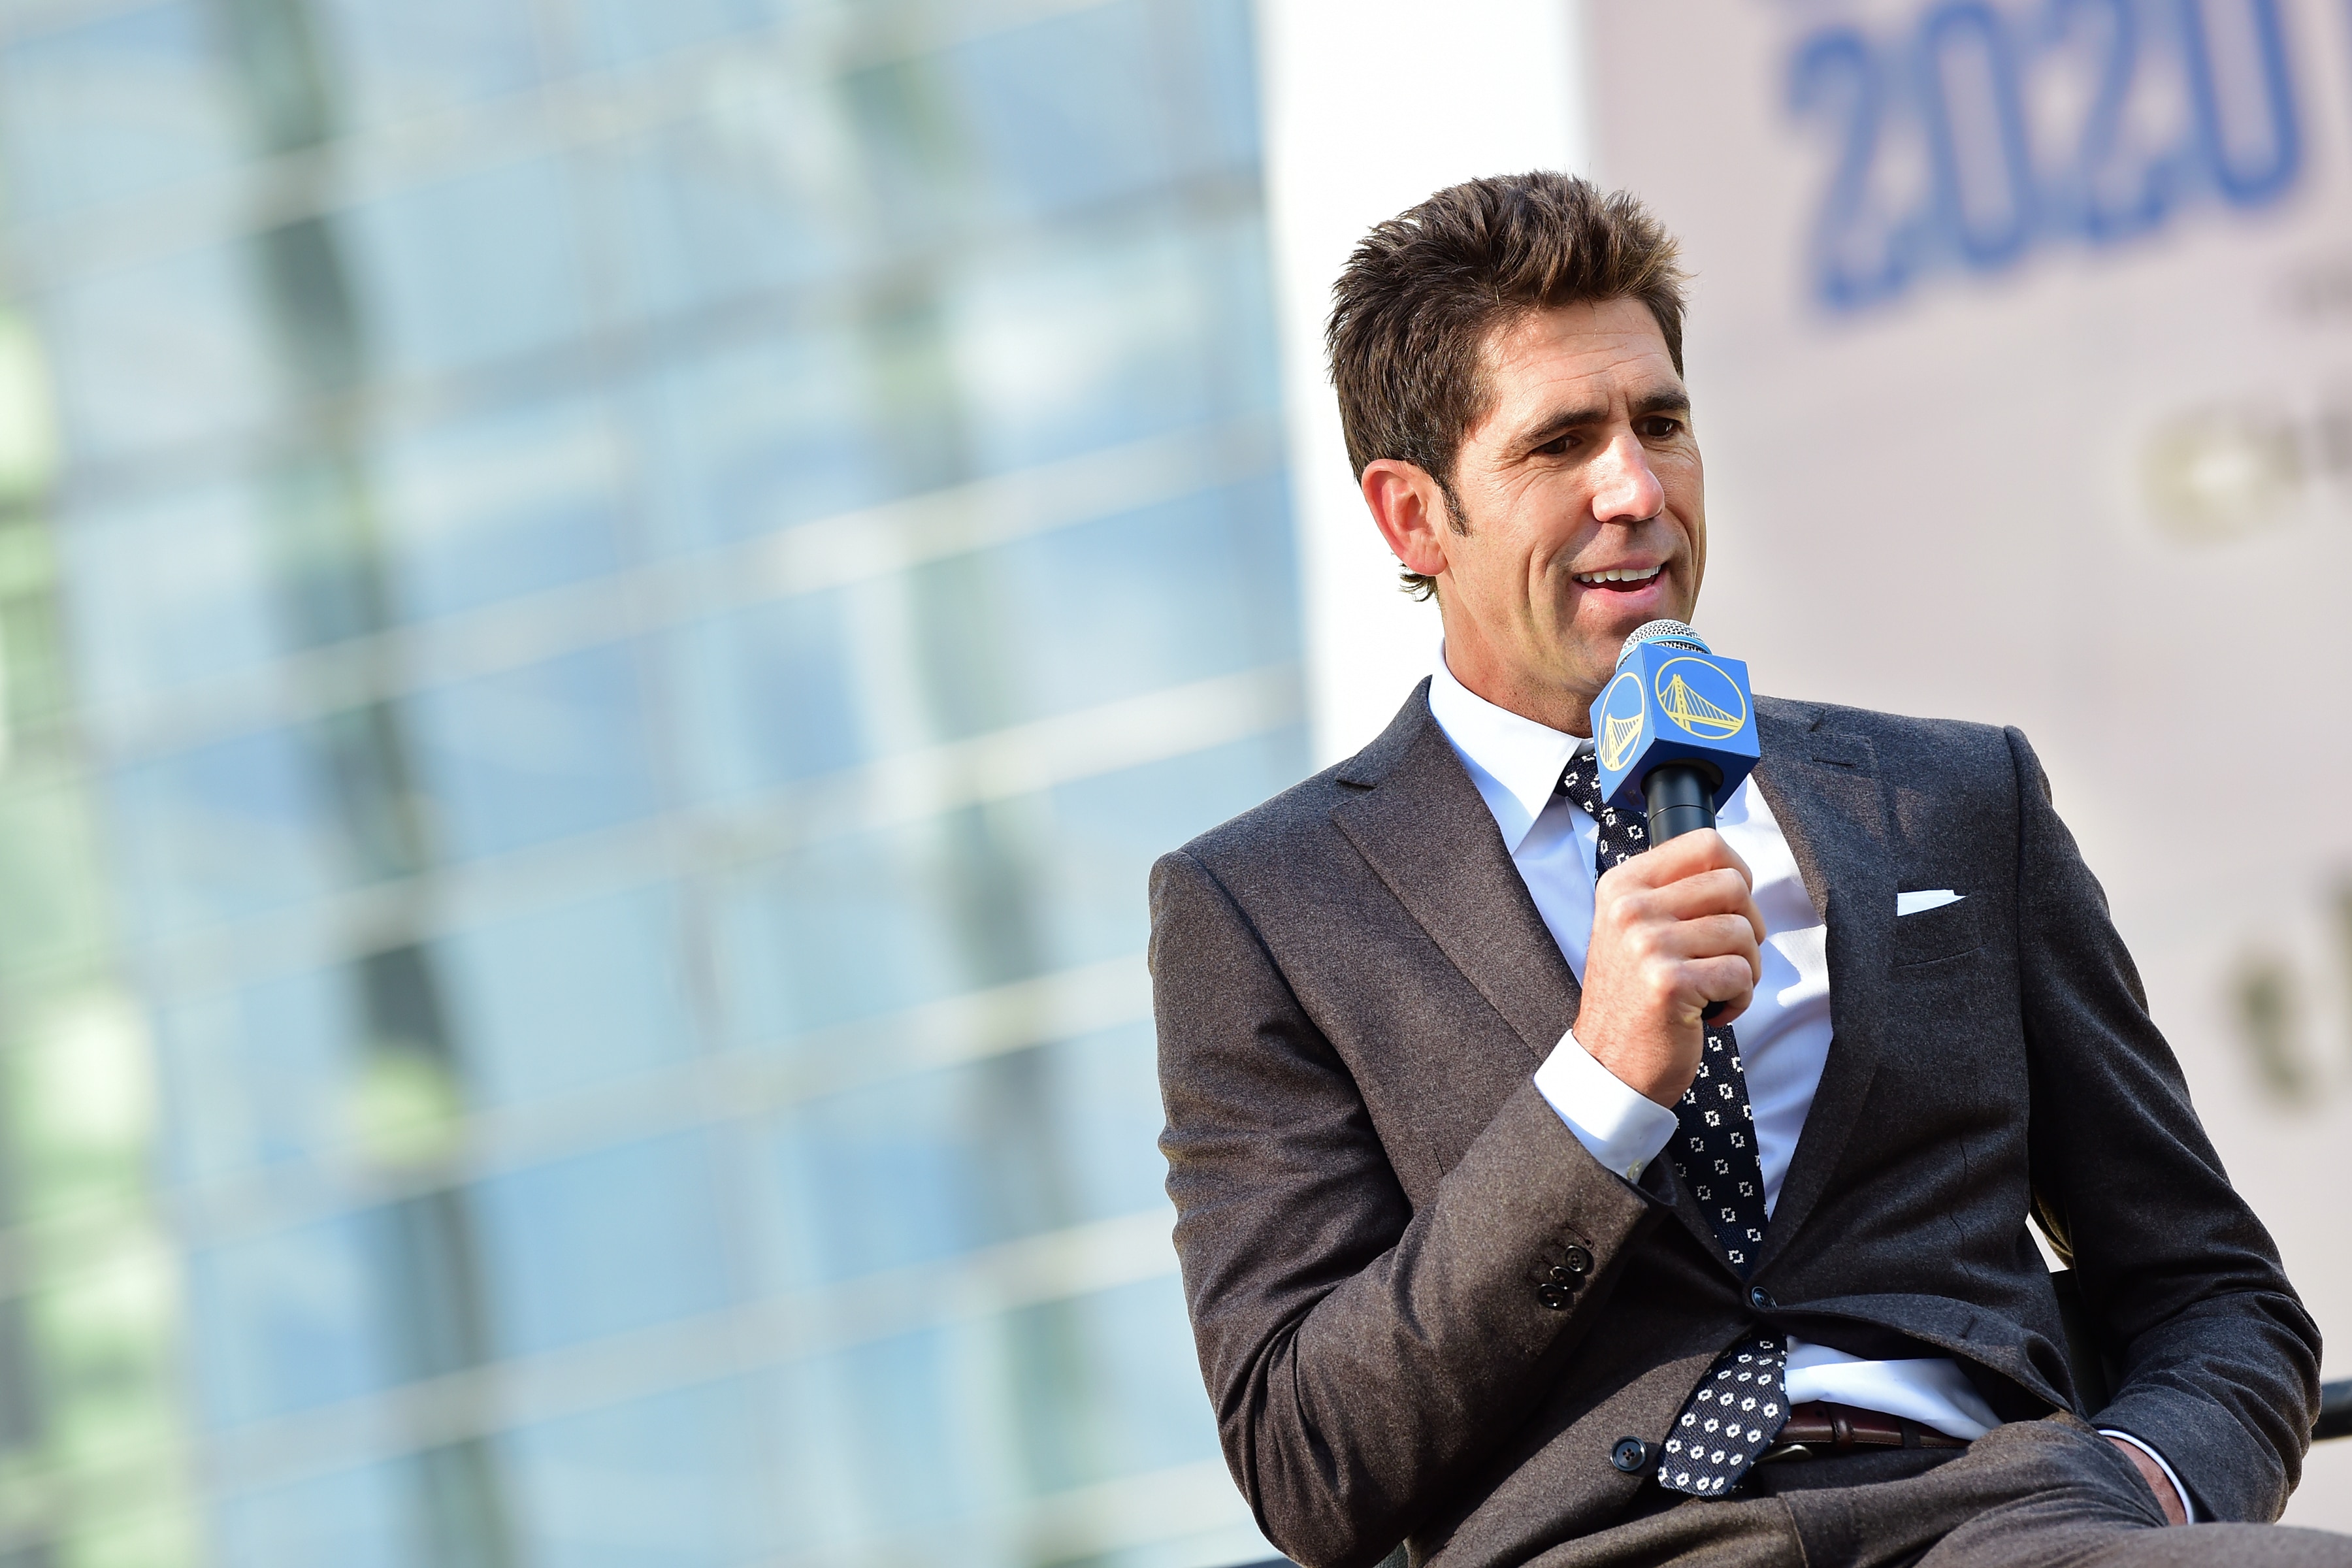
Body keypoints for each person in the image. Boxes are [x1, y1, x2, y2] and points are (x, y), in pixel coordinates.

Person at [1148, 172, 2346, 1567]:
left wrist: (2144, 1490)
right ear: (1414, 516)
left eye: (1660, 425)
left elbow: (2215, 1294)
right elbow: (1308, 1463)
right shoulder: (1267, 911)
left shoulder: (1956, 800)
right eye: (1560, 444)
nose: (1636, 491)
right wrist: (1600, 1086)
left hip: (2011, 1525)